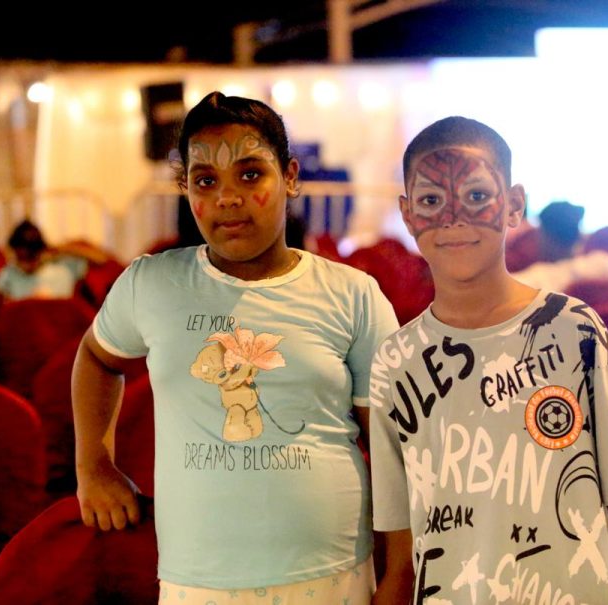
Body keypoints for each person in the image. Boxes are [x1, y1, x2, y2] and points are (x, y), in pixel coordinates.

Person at [72, 92, 398, 605]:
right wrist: (93, 465)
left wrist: (399, 574)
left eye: (250, 174)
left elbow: (392, 449)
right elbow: (96, 357)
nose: (227, 198)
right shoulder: (151, 284)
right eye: (206, 181)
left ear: (290, 176)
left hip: (333, 572)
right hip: (196, 579)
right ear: (186, 189)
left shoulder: (352, 294)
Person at [369, 116, 608, 604]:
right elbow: (401, 538)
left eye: (477, 196)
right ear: (408, 214)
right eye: (431, 201)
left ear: (515, 205)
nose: (453, 218)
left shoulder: (576, 331)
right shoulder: (396, 361)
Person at [0, 219, 88, 300]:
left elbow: (96, 258)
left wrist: (58, 249)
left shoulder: (61, 271)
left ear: (40, 253)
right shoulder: (9, 273)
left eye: (30, 258)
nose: (25, 265)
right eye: (21, 258)